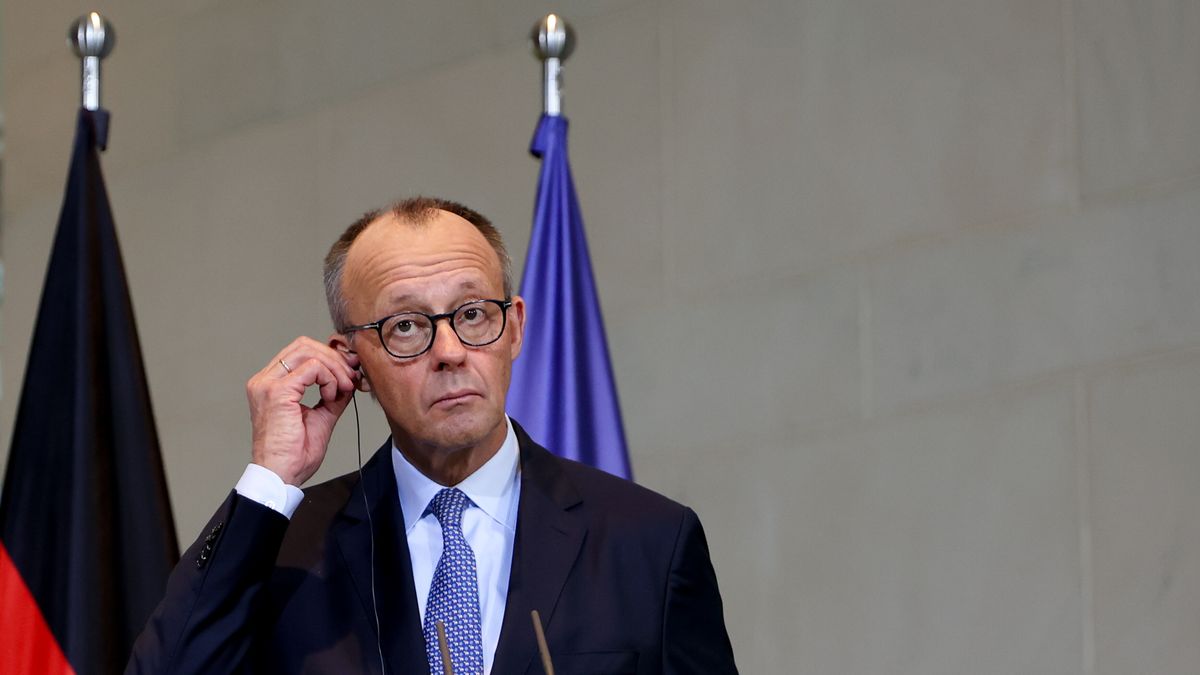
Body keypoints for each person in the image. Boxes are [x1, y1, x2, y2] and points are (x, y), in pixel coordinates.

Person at [127, 196, 737, 674]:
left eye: (473, 314)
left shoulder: (649, 543)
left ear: (515, 328)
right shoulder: (287, 551)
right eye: (408, 326)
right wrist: (270, 478)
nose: (449, 352)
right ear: (352, 361)